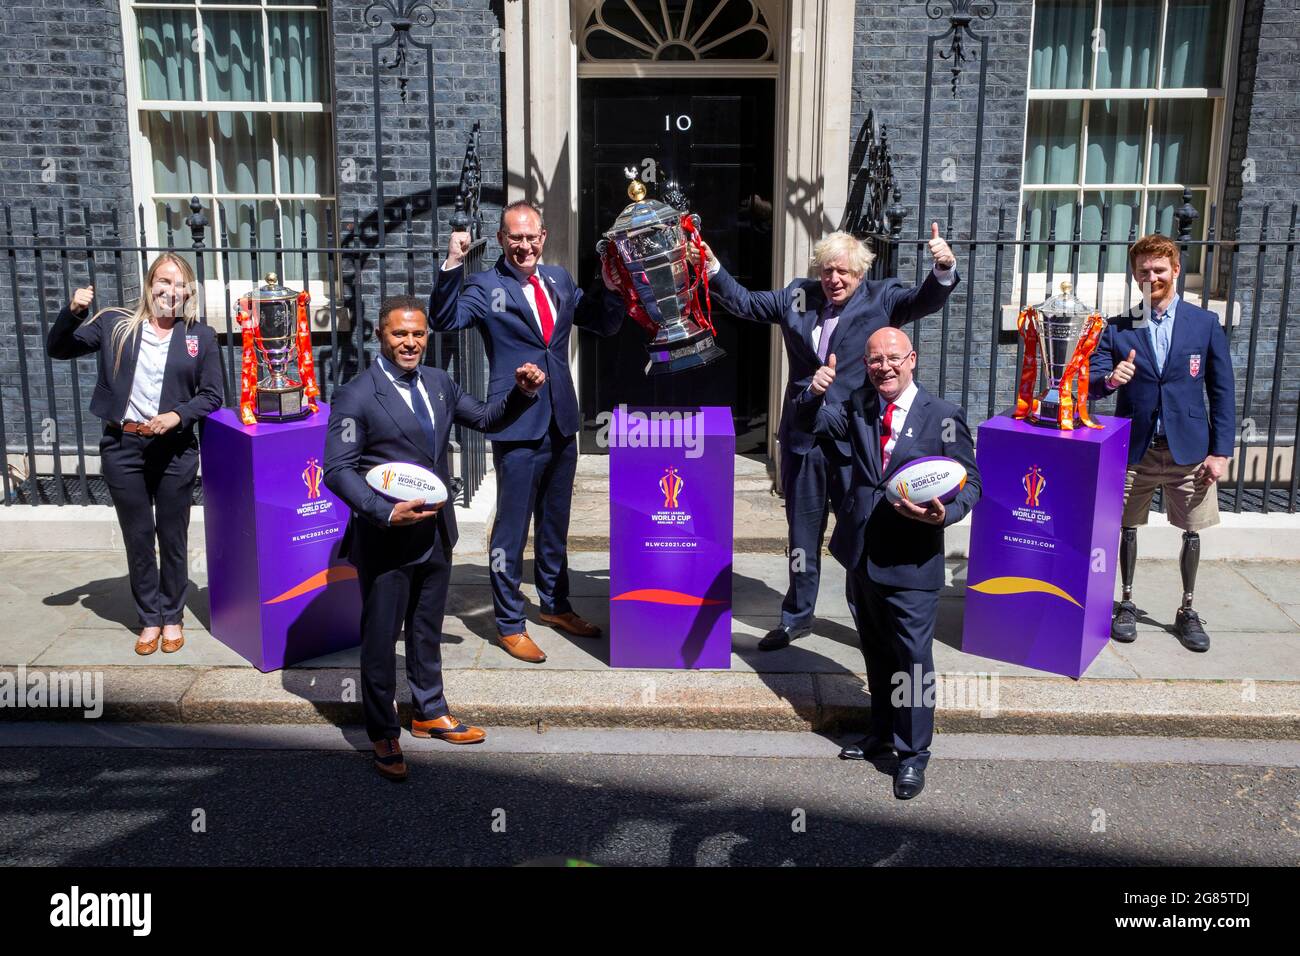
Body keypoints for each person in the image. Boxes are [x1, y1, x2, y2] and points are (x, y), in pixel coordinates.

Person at [693, 226, 959, 650]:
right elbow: (745, 303)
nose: (834, 279)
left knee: (858, 528)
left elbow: (922, 300)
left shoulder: (882, 298)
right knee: (802, 533)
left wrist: (943, 269)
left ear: (860, 273)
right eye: (827, 270)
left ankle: (865, 612)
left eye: (844, 272)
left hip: (854, 437)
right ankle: (797, 616)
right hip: (803, 433)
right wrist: (711, 266)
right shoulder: (799, 296)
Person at [324, 295, 546, 780]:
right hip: (386, 538)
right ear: (381, 336)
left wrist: (522, 393)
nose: (410, 342)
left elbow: (486, 419)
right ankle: (383, 731)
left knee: (425, 630)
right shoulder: (357, 394)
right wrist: (383, 512)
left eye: (418, 334)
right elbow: (337, 472)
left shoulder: (439, 382)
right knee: (381, 639)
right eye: (400, 334)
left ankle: (429, 710)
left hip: (435, 534)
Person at [430, 201, 624, 663]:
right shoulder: (484, 285)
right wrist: (453, 264)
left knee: (555, 526)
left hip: (560, 419)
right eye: (514, 238)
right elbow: (443, 320)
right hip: (516, 421)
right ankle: (510, 622)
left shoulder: (558, 279)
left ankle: (556, 606)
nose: (524, 246)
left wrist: (613, 289)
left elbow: (603, 323)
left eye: (531, 237)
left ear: (543, 236)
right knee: (512, 532)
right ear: (501, 240)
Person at [808, 327, 980, 800]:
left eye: (892, 357)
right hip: (862, 553)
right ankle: (881, 730)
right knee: (876, 651)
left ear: (912, 360)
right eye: (874, 359)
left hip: (912, 560)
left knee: (912, 662)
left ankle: (913, 754)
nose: (883, 366)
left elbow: (972, 482)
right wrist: (811, 393)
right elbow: (812, 428)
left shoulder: (943, 416)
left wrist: (947, 513)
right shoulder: (858, 406)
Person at [46, 254, 223, 656]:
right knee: (139, 537)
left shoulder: (201, 337)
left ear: (188, 291)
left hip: (174, 450)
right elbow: (59, 349)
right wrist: (73, 312)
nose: (170, 291)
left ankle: (173, 615)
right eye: (164, 282)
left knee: (172, 536)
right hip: (122, 447)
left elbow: (212, 396)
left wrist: (178, 415)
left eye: (180, 285)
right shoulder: (116, 325)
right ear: (149, 284)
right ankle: (149, 618)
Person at [1090, 234, 1236, 653]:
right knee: (1126, 527)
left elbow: (1222, 389)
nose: (1151, 277)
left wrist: (1221, 451)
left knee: (1191, 532)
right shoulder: (1118, 328)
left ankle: (1187, 610)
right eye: (1143, 271)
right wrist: (1109, 379)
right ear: (1135, 276)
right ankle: (1127, 603)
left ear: (1174, 271)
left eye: (1159, 270)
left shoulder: (1203, 324)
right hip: (1135, 448)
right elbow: (1094, 382)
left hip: (1189, 449)